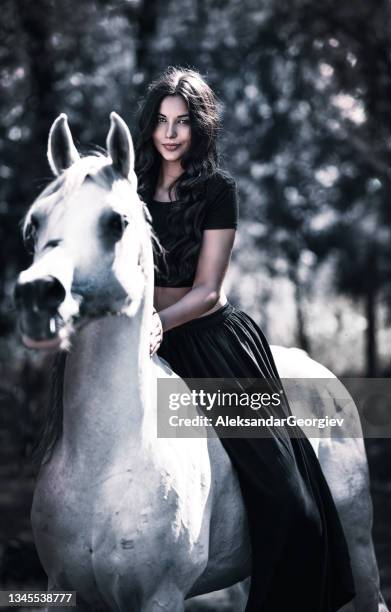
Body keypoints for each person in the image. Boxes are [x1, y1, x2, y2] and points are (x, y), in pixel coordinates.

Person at [134, 66, 356, 612]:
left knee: (288, 500)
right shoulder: (131, 188)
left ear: (198, 129)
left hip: (208, 341)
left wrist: (160, 324)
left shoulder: (217, 191)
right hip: (138, 340)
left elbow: (208, 290)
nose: (170, 133)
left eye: (182, 122)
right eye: (162, 121)